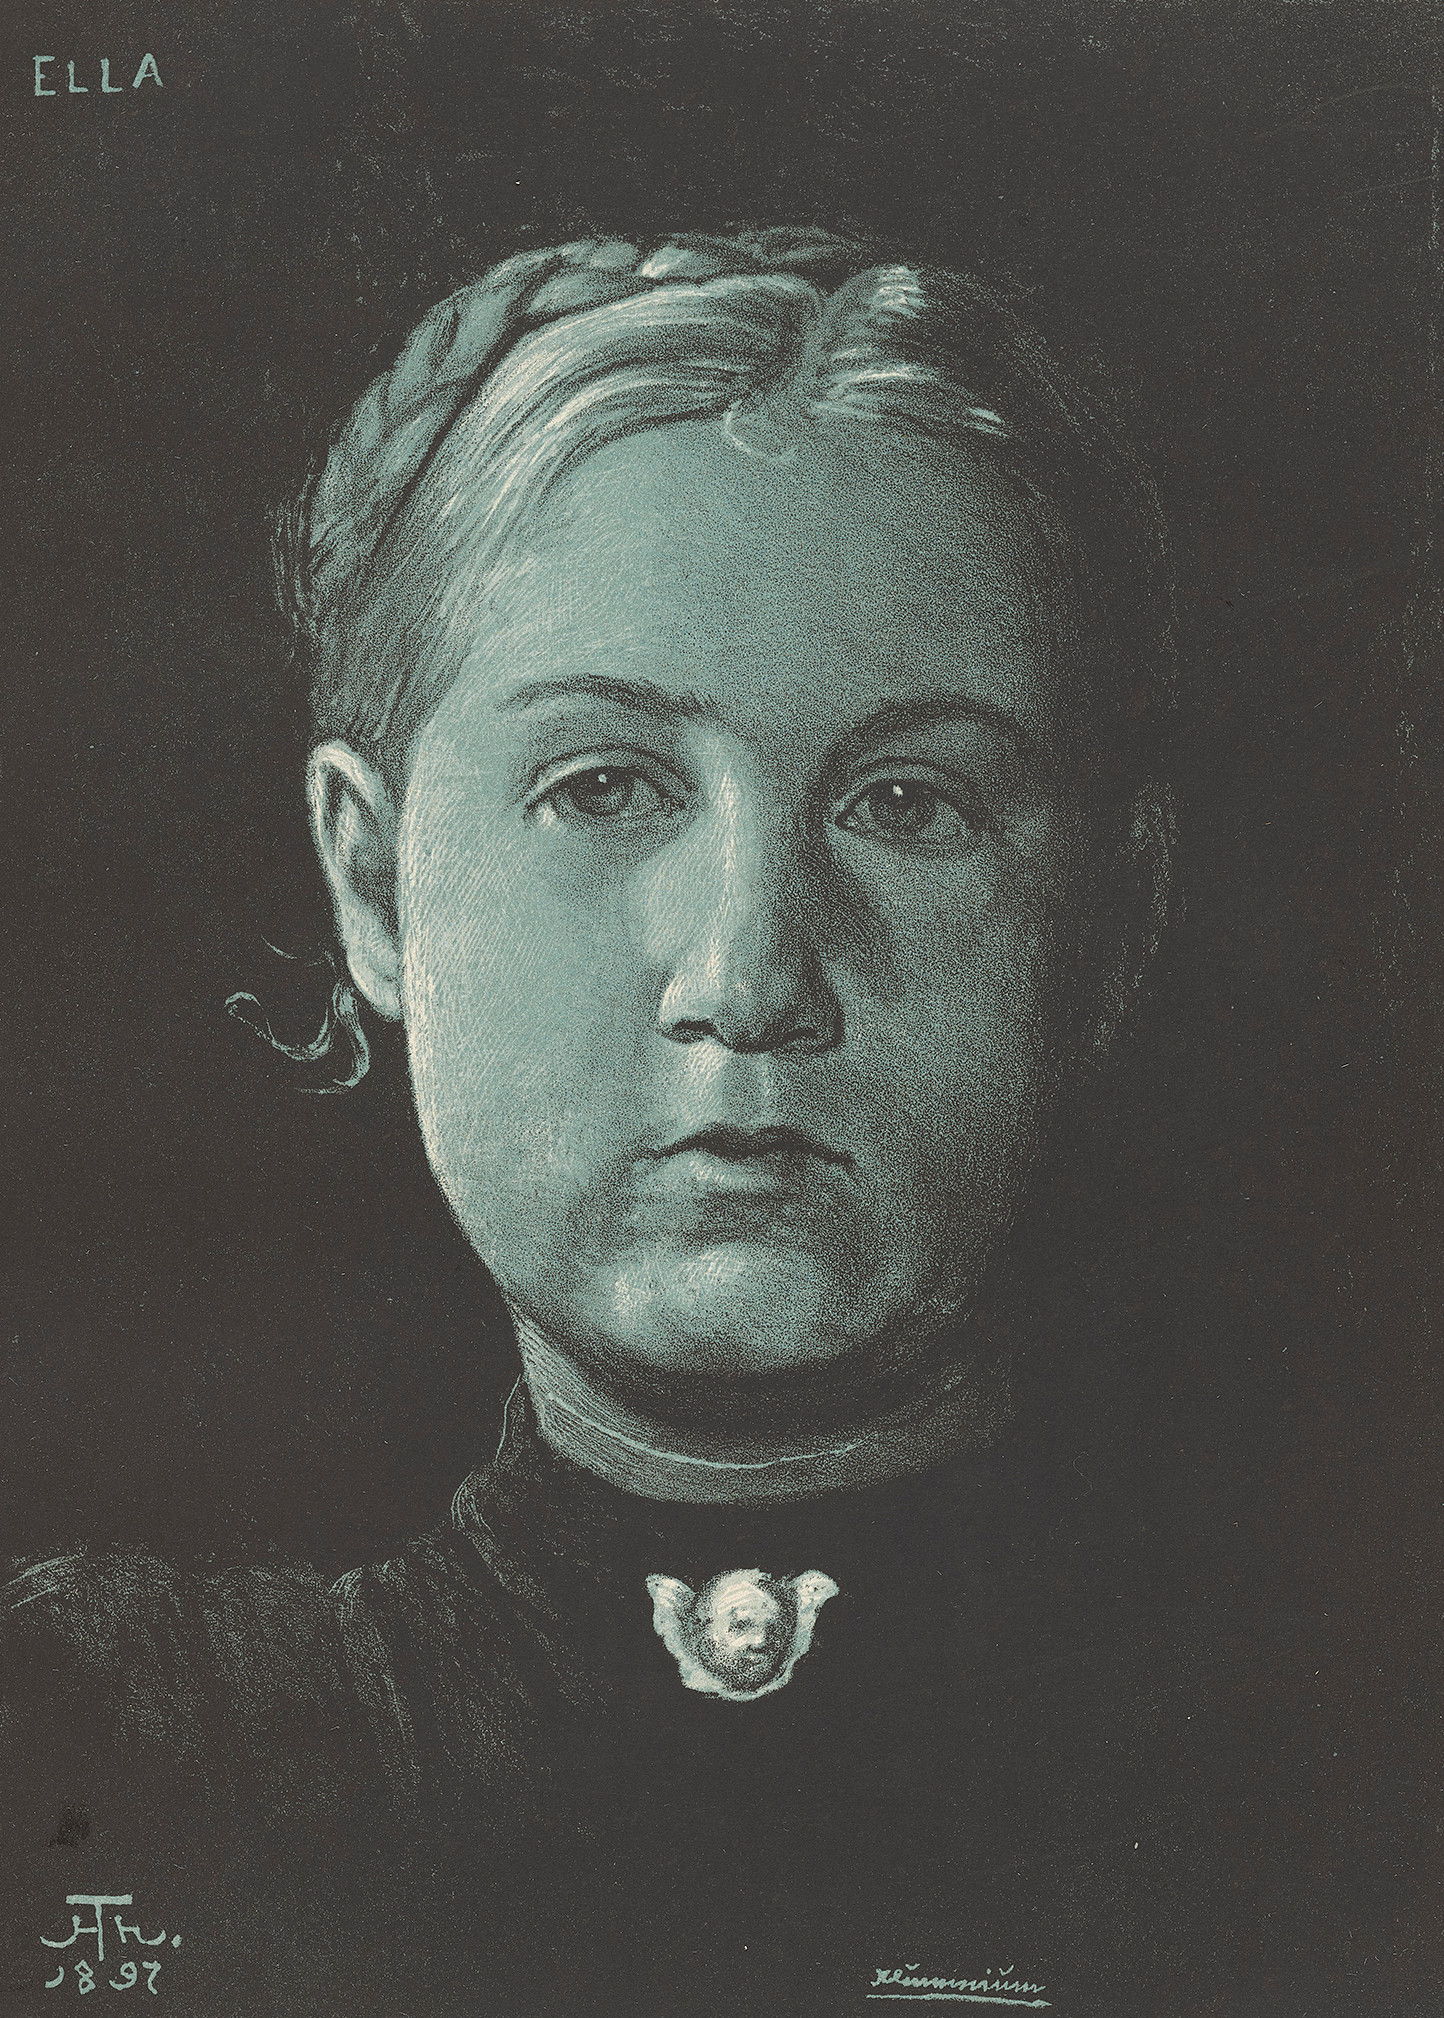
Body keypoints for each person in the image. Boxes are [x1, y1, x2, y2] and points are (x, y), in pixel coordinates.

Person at [0, 228, 1347, 2017]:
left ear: (1110, 924)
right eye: (606, 786)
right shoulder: (109, 1734)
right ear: (375, 885)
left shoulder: (1337, 1762)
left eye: (907, 801)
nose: (749, 974)